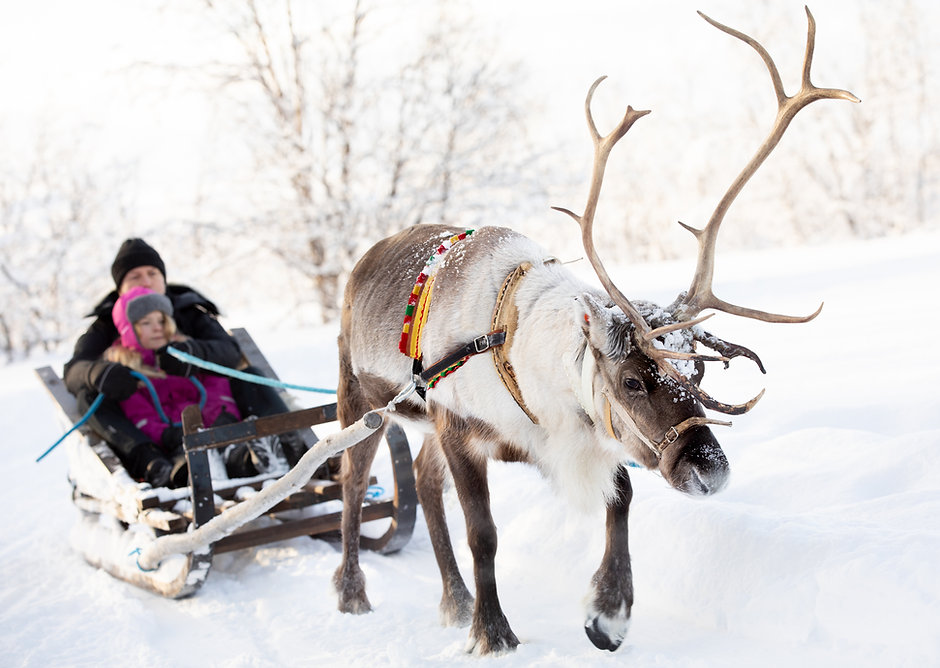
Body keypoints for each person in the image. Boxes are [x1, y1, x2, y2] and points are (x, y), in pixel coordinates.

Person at [63, 238, 308, 487]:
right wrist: (98, 373)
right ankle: (152, 463)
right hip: (147, 419)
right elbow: (73, 371)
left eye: (152, 273)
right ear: (120, 287)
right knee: (89, 397)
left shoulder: (188, 311)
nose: (146, 281)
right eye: (135, 276)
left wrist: (192, 353)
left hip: (209, 406)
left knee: (250, 376)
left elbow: (229, 351)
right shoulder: (105, 325)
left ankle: (285, 441)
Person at [106, 286, 276, 487]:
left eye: (161, 320)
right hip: (177, 441)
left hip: (216, 429)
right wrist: (167, 434)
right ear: (129, 329)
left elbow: (215, 387)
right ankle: (200, 478)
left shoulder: (185, 354)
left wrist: (221, 417)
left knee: (230, 451)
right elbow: (140, 417)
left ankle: (253, 461)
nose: (157, 327)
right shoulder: (128, 373)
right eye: (146, 323)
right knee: (185, 463)